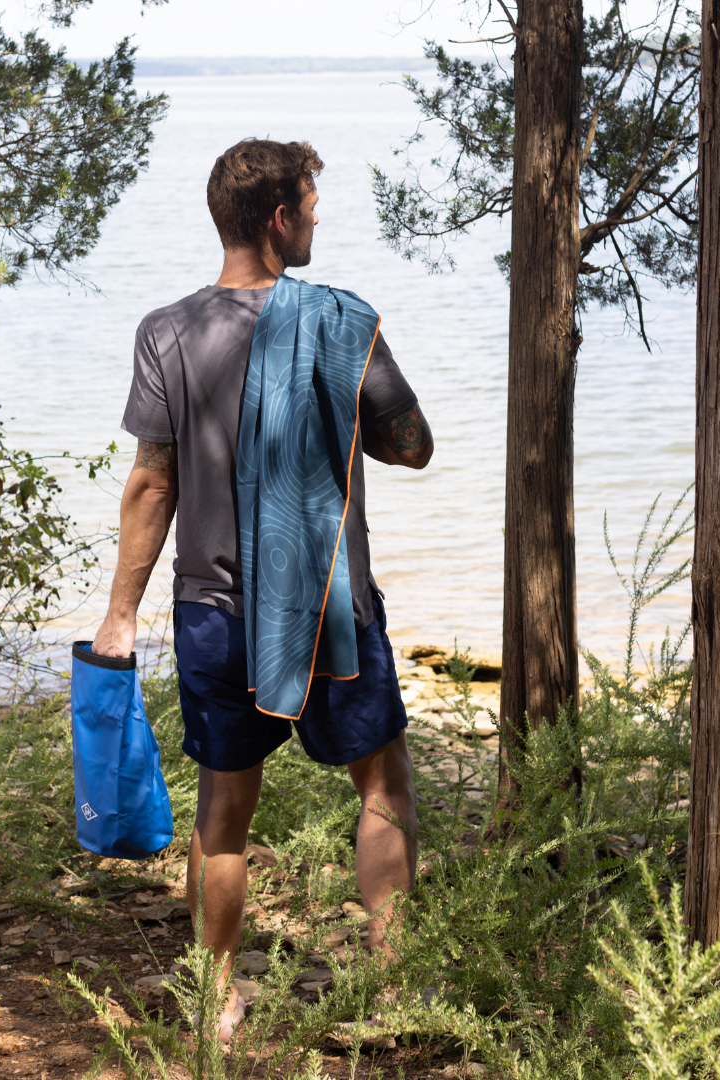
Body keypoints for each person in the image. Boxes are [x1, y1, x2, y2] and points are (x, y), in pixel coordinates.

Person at [92, 138, 433, 1042]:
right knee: (382, 783)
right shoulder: (343, 319)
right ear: (280, 217)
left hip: (215, 607)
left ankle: (218, 1004)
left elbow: (152, 483)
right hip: (331, 603)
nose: (319, 216)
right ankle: (396, 989)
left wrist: (120, 611)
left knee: (225, 808)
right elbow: (411, 445)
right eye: (312, 203)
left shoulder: (166, 331)